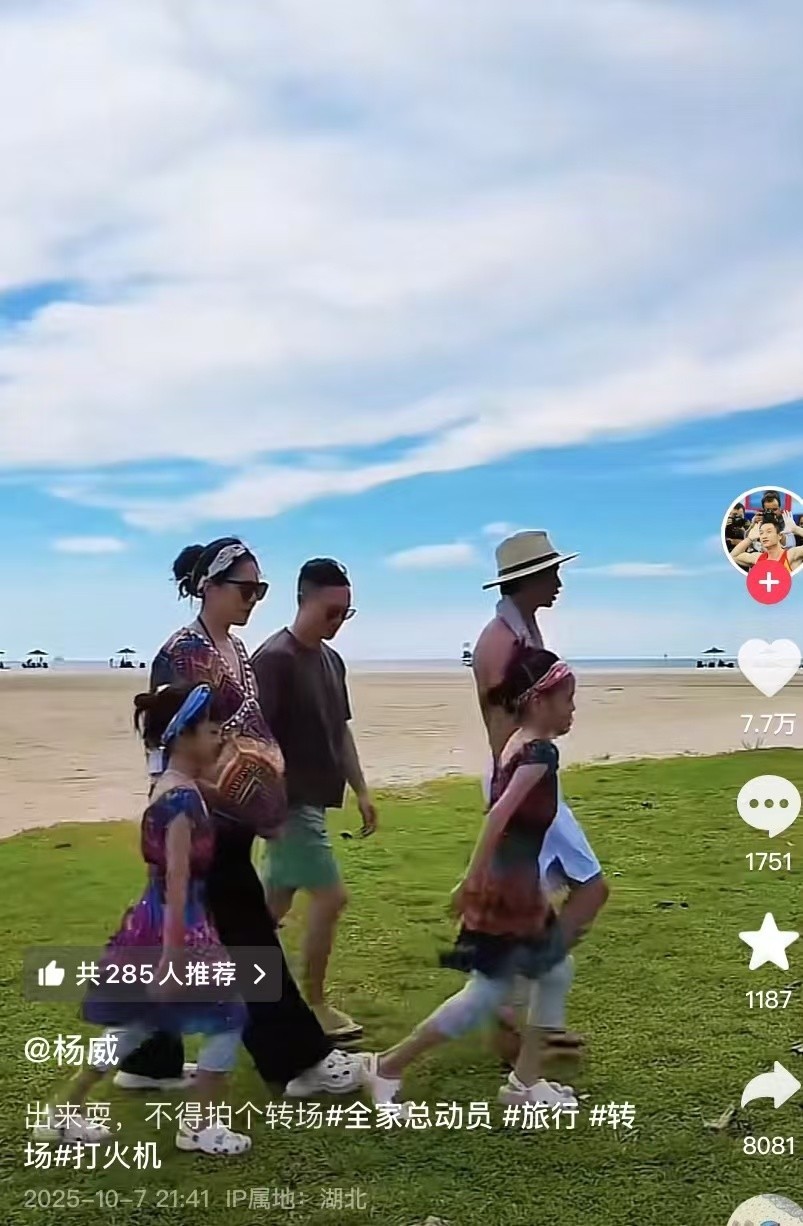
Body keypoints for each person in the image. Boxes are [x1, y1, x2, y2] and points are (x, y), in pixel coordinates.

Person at [115, 538, 363, 1098]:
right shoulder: (183, 653)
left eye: (260, 590)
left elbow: (250, 732)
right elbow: (166, 740)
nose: (253, 599)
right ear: (208, 587)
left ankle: (146, 1059)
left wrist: (268, 802)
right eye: (245, 589)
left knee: (189, 936)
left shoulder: (237, 651)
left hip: (233, 817)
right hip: (197, 816)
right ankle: (298, 1062)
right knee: (247, 934)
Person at [361, 647, 586, 1112]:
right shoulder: (540, 753)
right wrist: (471, 880)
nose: (572, 709)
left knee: (553, 971)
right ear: (539, 700)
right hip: (509, 893)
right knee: (487, 993)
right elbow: (498, 815)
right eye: (567, 699)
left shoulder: (516, 743)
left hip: (516, 889)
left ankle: (524, 1083)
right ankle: (387, 1067)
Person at [37, 683, 251, 1156]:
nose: (220, 737)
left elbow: (221, 796)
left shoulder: (175, 787)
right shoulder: (180, 802)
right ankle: (199, 1126)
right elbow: (177, 882)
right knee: (228, 1017)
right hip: (176, 930)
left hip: (152, 923)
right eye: (212, 730)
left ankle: (60, 1112)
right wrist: (172, 960)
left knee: (136, 1025)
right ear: (183, 735)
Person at [472, 529, 607, 1061]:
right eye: (552, 573)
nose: (559, 582)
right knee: (589, 889)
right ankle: (517, 1012)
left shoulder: (521, 629)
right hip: (522, 781)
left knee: (536, 903)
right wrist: (517, 790)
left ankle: (527, 1020)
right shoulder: (499, 642)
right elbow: (505, 730)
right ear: (527, 580)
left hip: (533, 778)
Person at [254, 557, 376, 1042]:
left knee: (269, 909)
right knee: (331, 896)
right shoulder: (273, 659)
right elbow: (254, 743)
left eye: (346, 613)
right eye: (331, 611)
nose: (338, 621)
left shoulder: (331, 661)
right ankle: (315, 1003)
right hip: (289, 805)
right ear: (303, 600)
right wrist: (265, 810)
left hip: (316, 802)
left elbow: (340, 731)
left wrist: (361, 790)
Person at [731, 516, 803, 574]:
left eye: (769, 532)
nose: (764, 536)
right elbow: (733, 556)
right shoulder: (757, 558)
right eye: (761, 533)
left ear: (779, 536)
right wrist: (749, 538)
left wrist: (796, 529)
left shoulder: (792, 554)